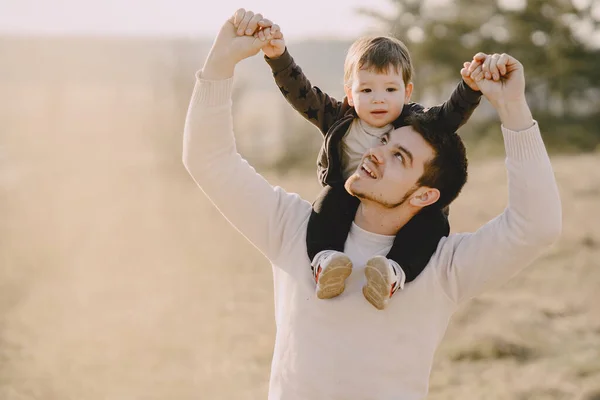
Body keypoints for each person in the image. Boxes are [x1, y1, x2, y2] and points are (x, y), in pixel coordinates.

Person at [182, 9, 562, 399]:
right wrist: (220, 61)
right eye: (383, 142)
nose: (378, 152)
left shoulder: (443, 266)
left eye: (400, 156)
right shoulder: (294, 228)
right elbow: (209, 161)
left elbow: (537, 226)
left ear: (424, 195)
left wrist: (513, 107)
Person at [255, 21, 483, 309]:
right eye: (366, 90)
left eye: (390, 89)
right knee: (327, 203)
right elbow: (301, 93)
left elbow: (450, 117)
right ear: (350, 94)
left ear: (407, 92)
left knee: (432, 222)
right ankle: (326, 261)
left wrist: (470, 88)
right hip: (349, 193)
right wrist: (278, 56)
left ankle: (393, 273)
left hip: (398, 201)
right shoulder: (337, 116)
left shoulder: (414, 122)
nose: (379, 99)